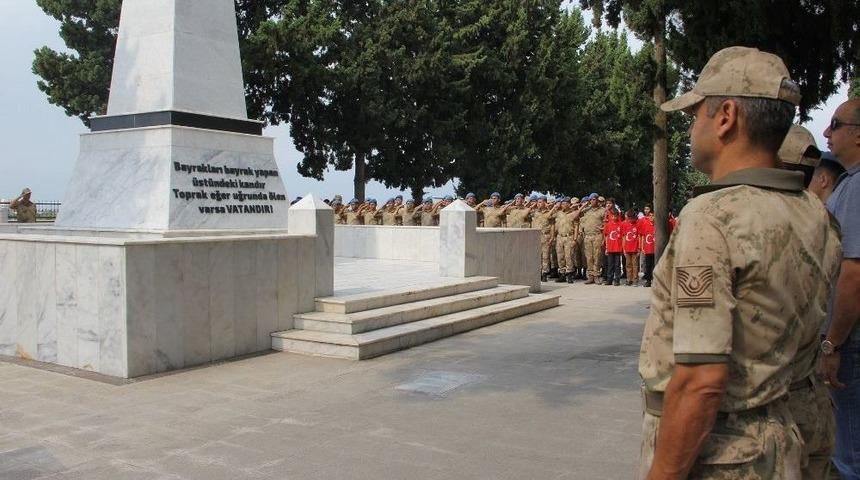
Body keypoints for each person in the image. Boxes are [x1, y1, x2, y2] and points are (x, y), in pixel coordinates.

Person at [638, 46, 841, 479]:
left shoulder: (713, 218)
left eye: (696, 115)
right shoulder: (814, 212)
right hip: (788, 434)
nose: (691, 129)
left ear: (726, 116)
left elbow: (700, 381)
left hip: (722, 453)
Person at [819, 98, 860, 479]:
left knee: (850, 457)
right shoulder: (851, 183)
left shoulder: (858, 187)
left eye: (836, 124)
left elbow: (854, 273)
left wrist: (834, 343)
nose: (828, 132)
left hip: (851, 343)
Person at [579, 194, 605, 284]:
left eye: (594, 199)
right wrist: (583, 205)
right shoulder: (586, 210)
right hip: (587, 236)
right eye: (590, 200)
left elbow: (606, 223)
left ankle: (596, 275)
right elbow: (575, 216)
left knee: (597, 257)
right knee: (589, 257)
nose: (592, 201)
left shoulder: (602, 211)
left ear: (597, 200)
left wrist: (604, 238)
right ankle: (590, 276)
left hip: (597, 236)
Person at [531, 195, 555, 282]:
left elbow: (552, 225)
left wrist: (552, 237)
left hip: (545, 236)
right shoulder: (535, 212)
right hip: (536, 236)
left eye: (540, 202)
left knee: (545, 256)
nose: (538, 204)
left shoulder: (549, 213)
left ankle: (545, 273)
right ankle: (538, 272)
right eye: (537, 202)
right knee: (537, 256)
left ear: (545, 203)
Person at [602, 209, 623, 286]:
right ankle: (609, 280)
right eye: (613, 216)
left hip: (618, 248)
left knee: (617, 265)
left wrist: (622, 248)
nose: (614, 217)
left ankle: (617, 280)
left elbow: (623, 237)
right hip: (610, 248)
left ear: (618, 216)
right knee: (610, 265)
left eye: (615, 216)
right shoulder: (608, 224)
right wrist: (606, 248)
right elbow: (606, 236)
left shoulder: (621, 224)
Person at [637, 208, 655, 288]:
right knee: (648, 265)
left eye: (653, 216)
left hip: (655, 249)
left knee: (655, 265)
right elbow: (643, 236)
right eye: (650, 216)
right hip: (648, 248)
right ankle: (648, 281)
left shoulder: (657, 225)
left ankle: (655, 280)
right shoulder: (646, 224)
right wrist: (642, 247)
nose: (651, 217)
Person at [621, 209, 640, 286]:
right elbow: (624, 237)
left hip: (635, 248)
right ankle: (629, 279)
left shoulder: (638, 225)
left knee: (635, 265)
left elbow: (639, 237)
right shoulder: (625, 225)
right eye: (629, 218)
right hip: (627, 248)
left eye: (632, 218)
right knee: (628, 265)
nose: (631, 219)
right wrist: (624, 248)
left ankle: (635, 279)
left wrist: (639, 248)